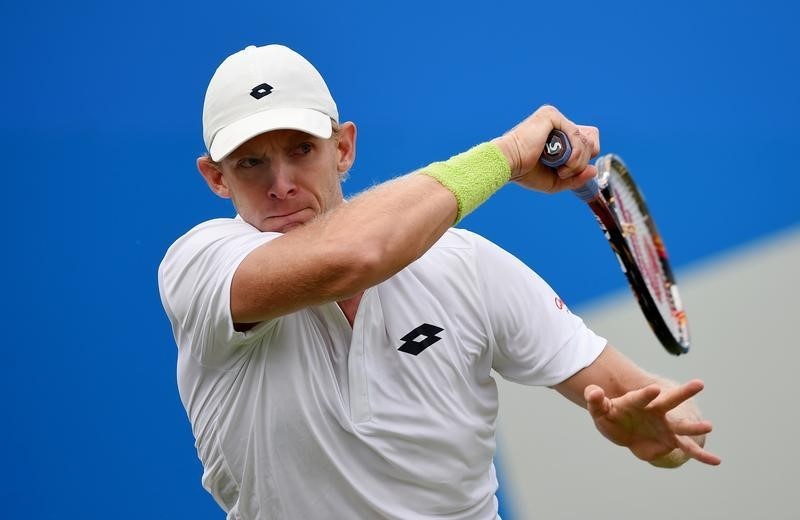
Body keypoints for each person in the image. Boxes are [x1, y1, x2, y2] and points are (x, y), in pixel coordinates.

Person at [158, 44, 720, 519]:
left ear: (344, 148)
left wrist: (655, 436)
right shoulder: (201, 265)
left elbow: (673, 421)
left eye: (301, 150)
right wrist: (509, 154)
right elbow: (355, 254)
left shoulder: (466, 267)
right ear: (216, 178)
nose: (280, 183)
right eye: (250, 163)